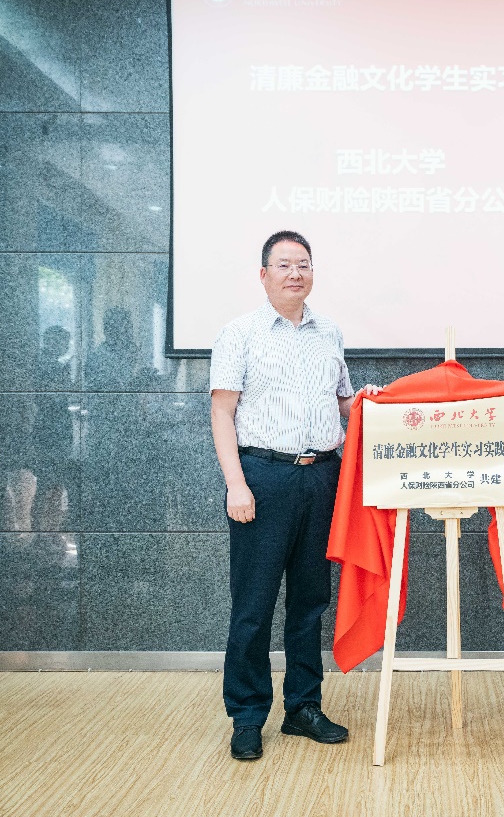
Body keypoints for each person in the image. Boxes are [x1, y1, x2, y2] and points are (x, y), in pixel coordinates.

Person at [209, 230, 380, 761]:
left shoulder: (329, 332)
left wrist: (365, 402)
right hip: (263, 477)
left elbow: (342, 402)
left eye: (303, 264)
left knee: (310, 603)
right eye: (283, 265)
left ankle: (303, 707)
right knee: (254, 604)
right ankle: (247, 715)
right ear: (264, 275)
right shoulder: (239, 333)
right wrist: (236, 484)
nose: (295, 273)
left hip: (321, 477)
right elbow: (221, 413)